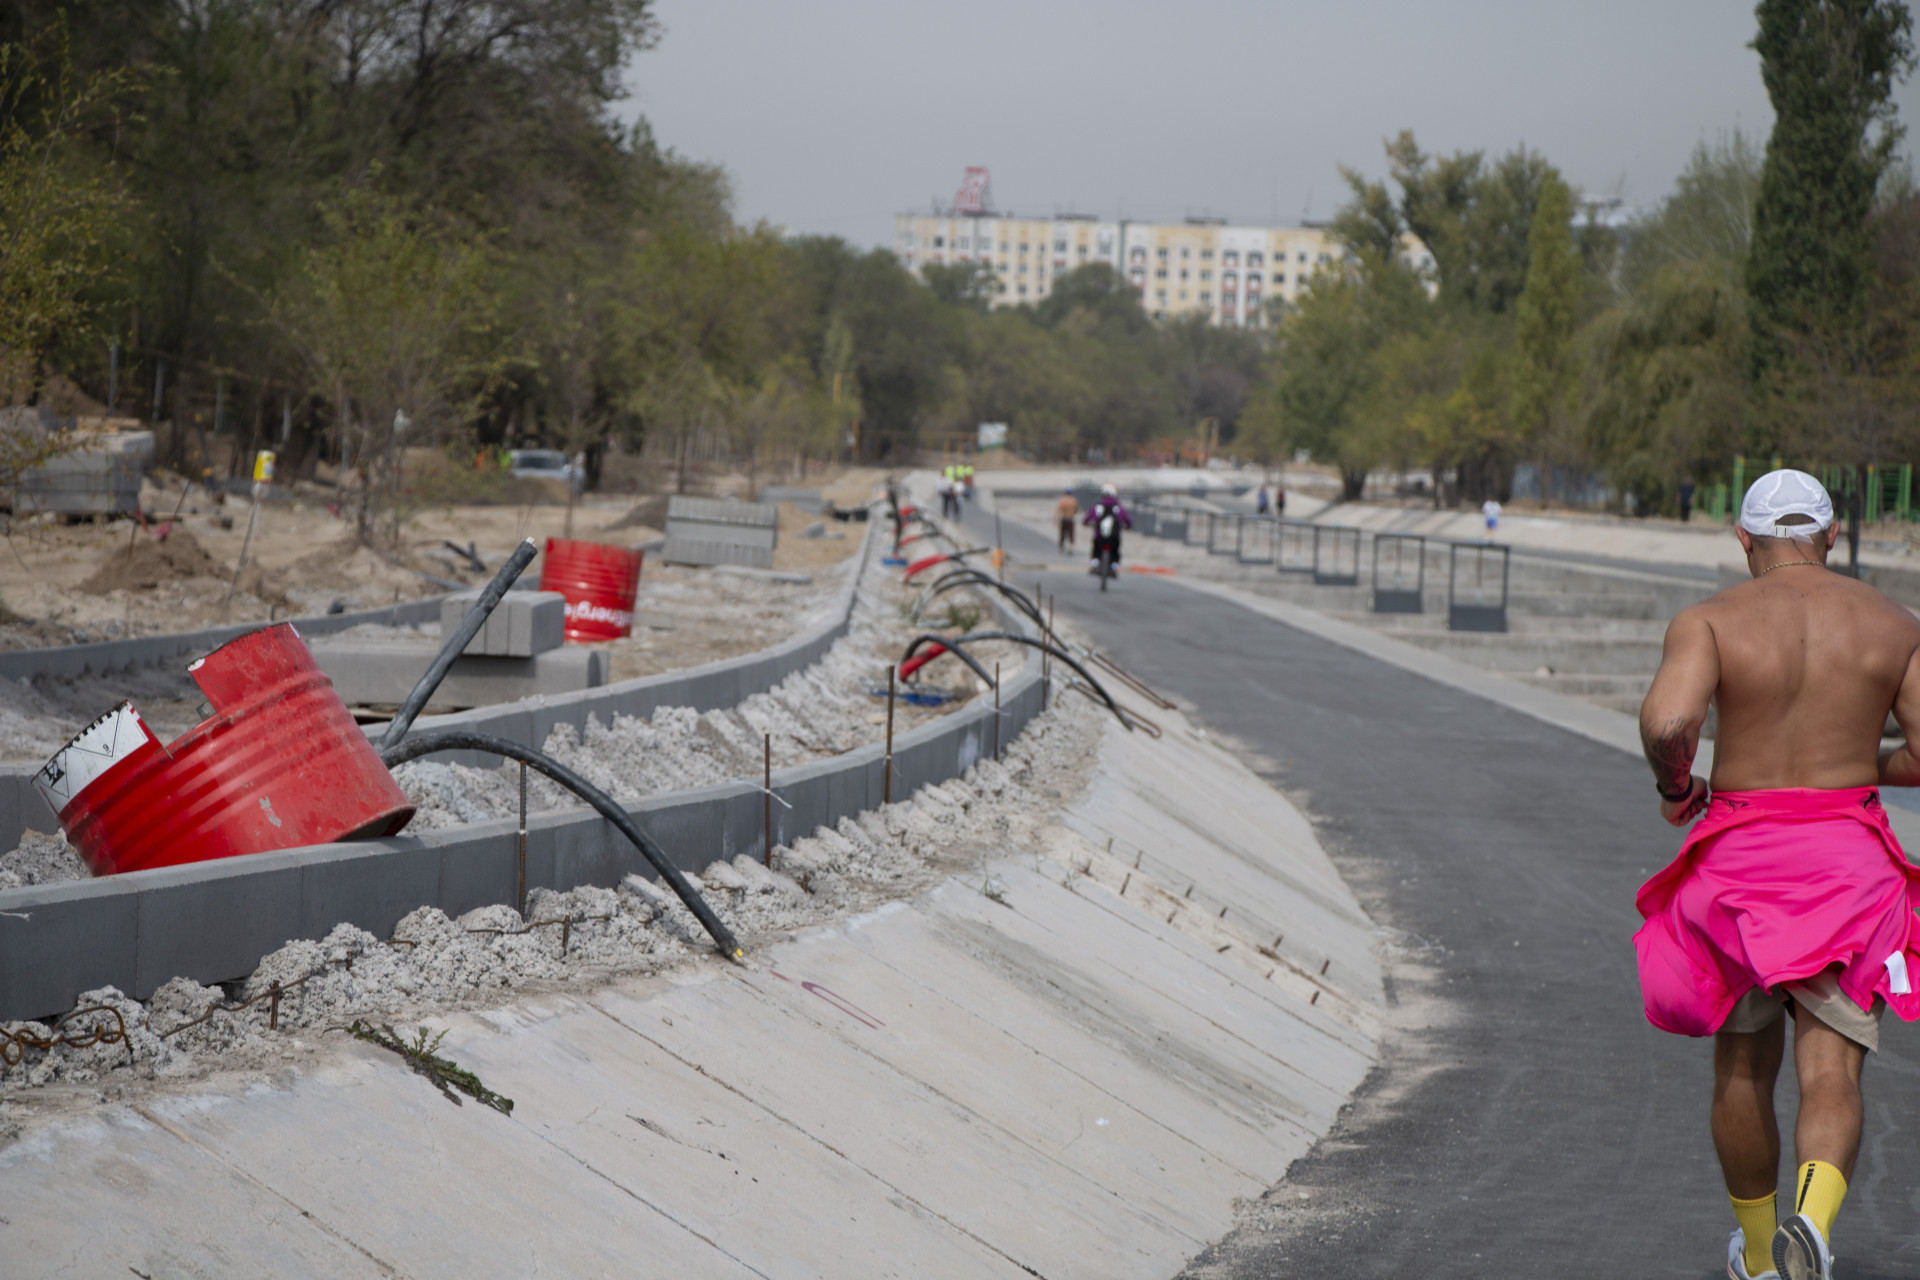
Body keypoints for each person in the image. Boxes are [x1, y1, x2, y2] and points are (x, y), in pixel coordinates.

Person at [1635, 469, 1920, 1280]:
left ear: (1743, 539)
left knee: (1742, 1064)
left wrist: (1677, 783)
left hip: (1741, 870)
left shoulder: (1711, 621)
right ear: (1831, 536)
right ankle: (1815, 1229)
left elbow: (1670, 721)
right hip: (1848, 869)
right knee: (1831, 1068)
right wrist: (1854, 761)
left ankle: (1762, 1256)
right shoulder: (1894, 624)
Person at [1082, 483, 1131, 576]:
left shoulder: (1097, 506)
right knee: (1115, 551)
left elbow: (1087, 518)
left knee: (1096, 549)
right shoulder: (1118, 507)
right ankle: (1114, 566)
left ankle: (1095, 563)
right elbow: (1127, 520)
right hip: (1114, 535)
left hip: (1099, 535)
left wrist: (1087, 523)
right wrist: (1127, 526)